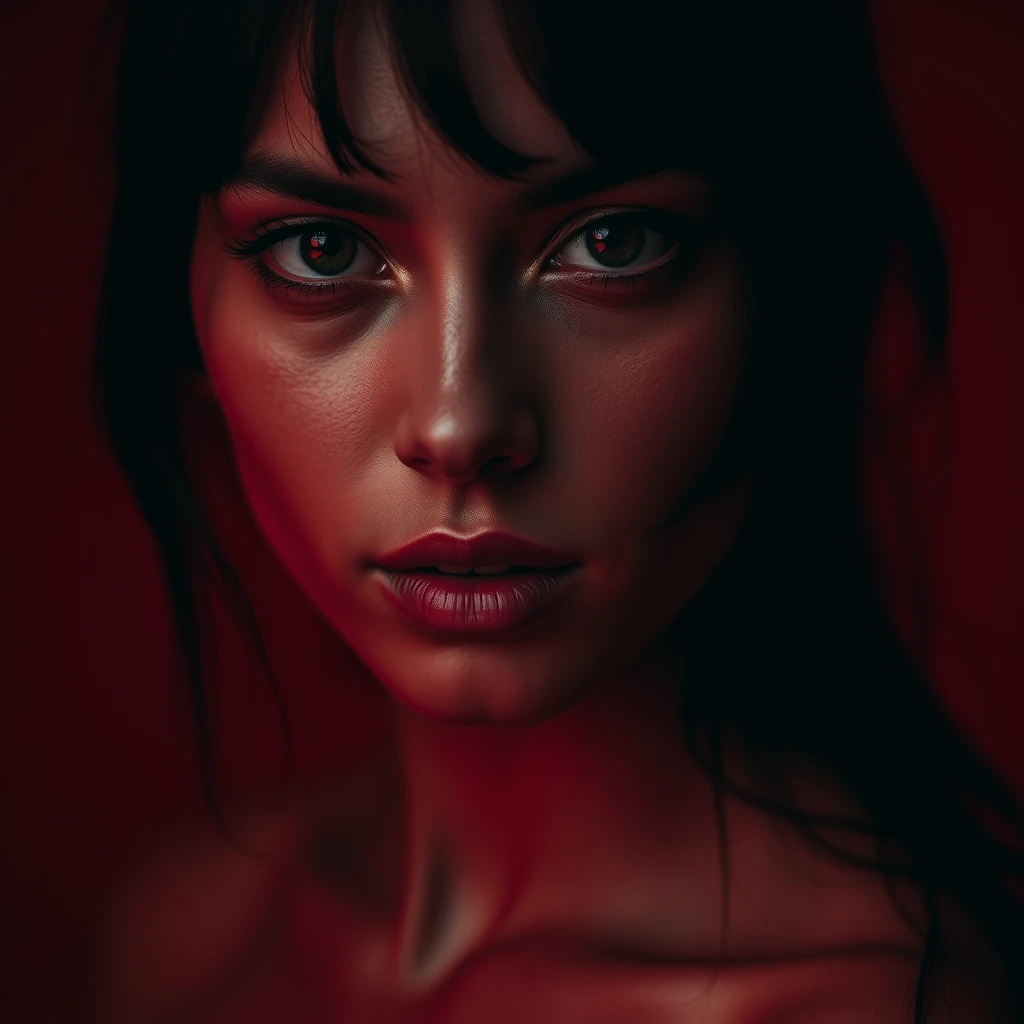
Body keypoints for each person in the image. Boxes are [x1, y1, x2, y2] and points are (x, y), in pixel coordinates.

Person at [89, 0, 1024, 1020]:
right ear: (178, 308)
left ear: (795, 287)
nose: (459, 423)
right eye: (320, 251)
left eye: (613, 244)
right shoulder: (178, 931)